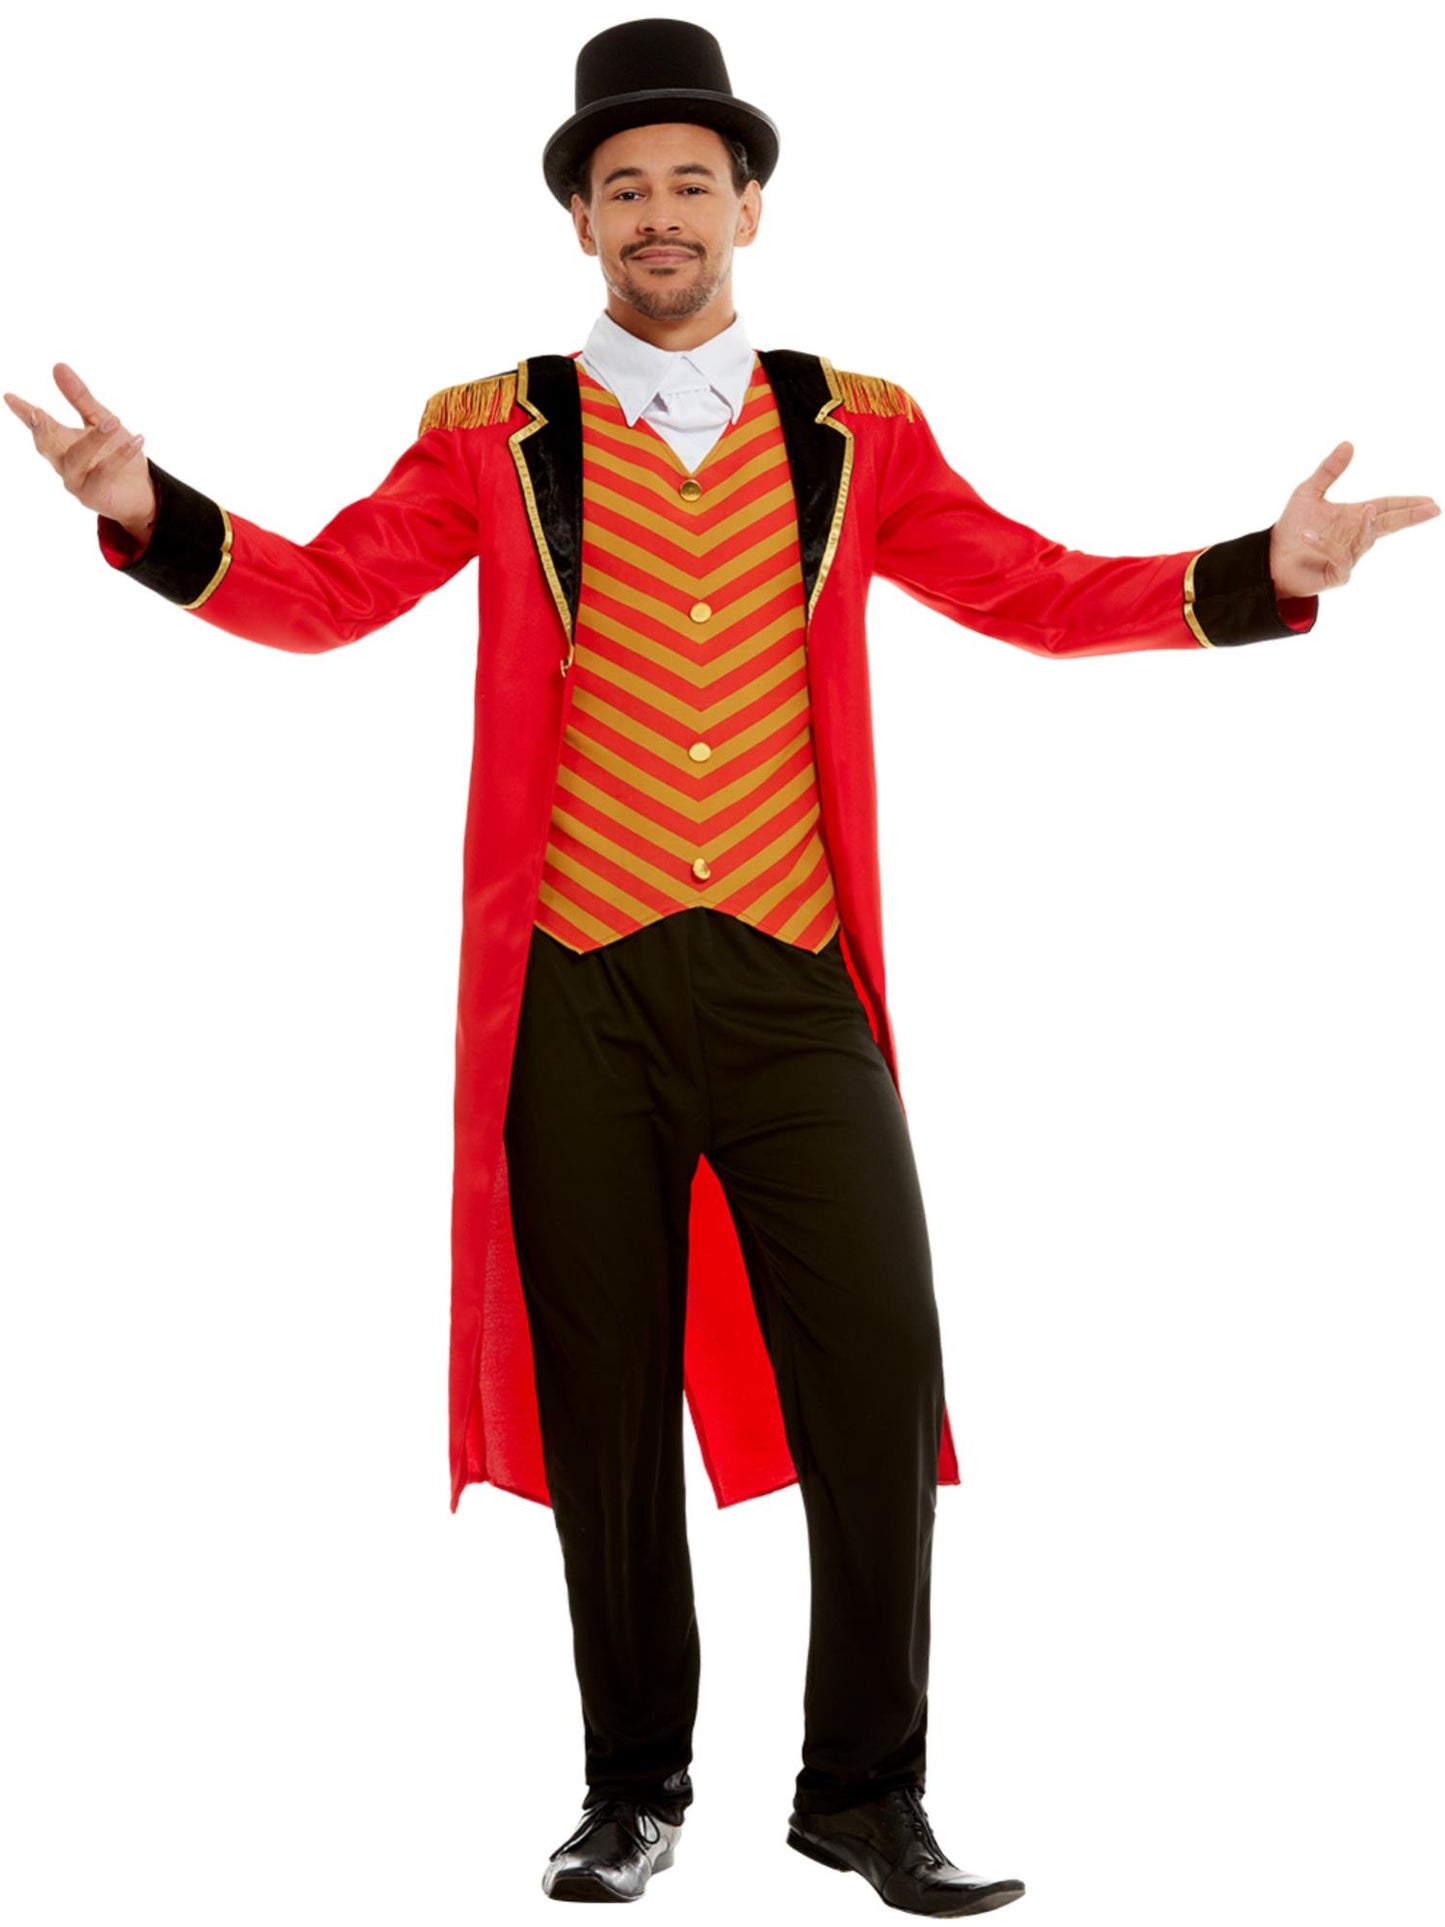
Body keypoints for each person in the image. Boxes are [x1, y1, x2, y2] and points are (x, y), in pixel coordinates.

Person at [6, 15, 1437, 1917]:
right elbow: (329, 596)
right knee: (600, 1410)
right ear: (581, 224)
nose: (659, 213)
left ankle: (865, 1795)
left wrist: (1265, 566)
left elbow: (1030, 590)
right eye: (625, 189)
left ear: (748, 206)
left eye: (692, 181)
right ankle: (630, 1792)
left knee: (878, 1374)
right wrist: (147, 511)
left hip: (789, 980)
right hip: (576, 987)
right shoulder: (490, 429)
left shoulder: (858, 426)